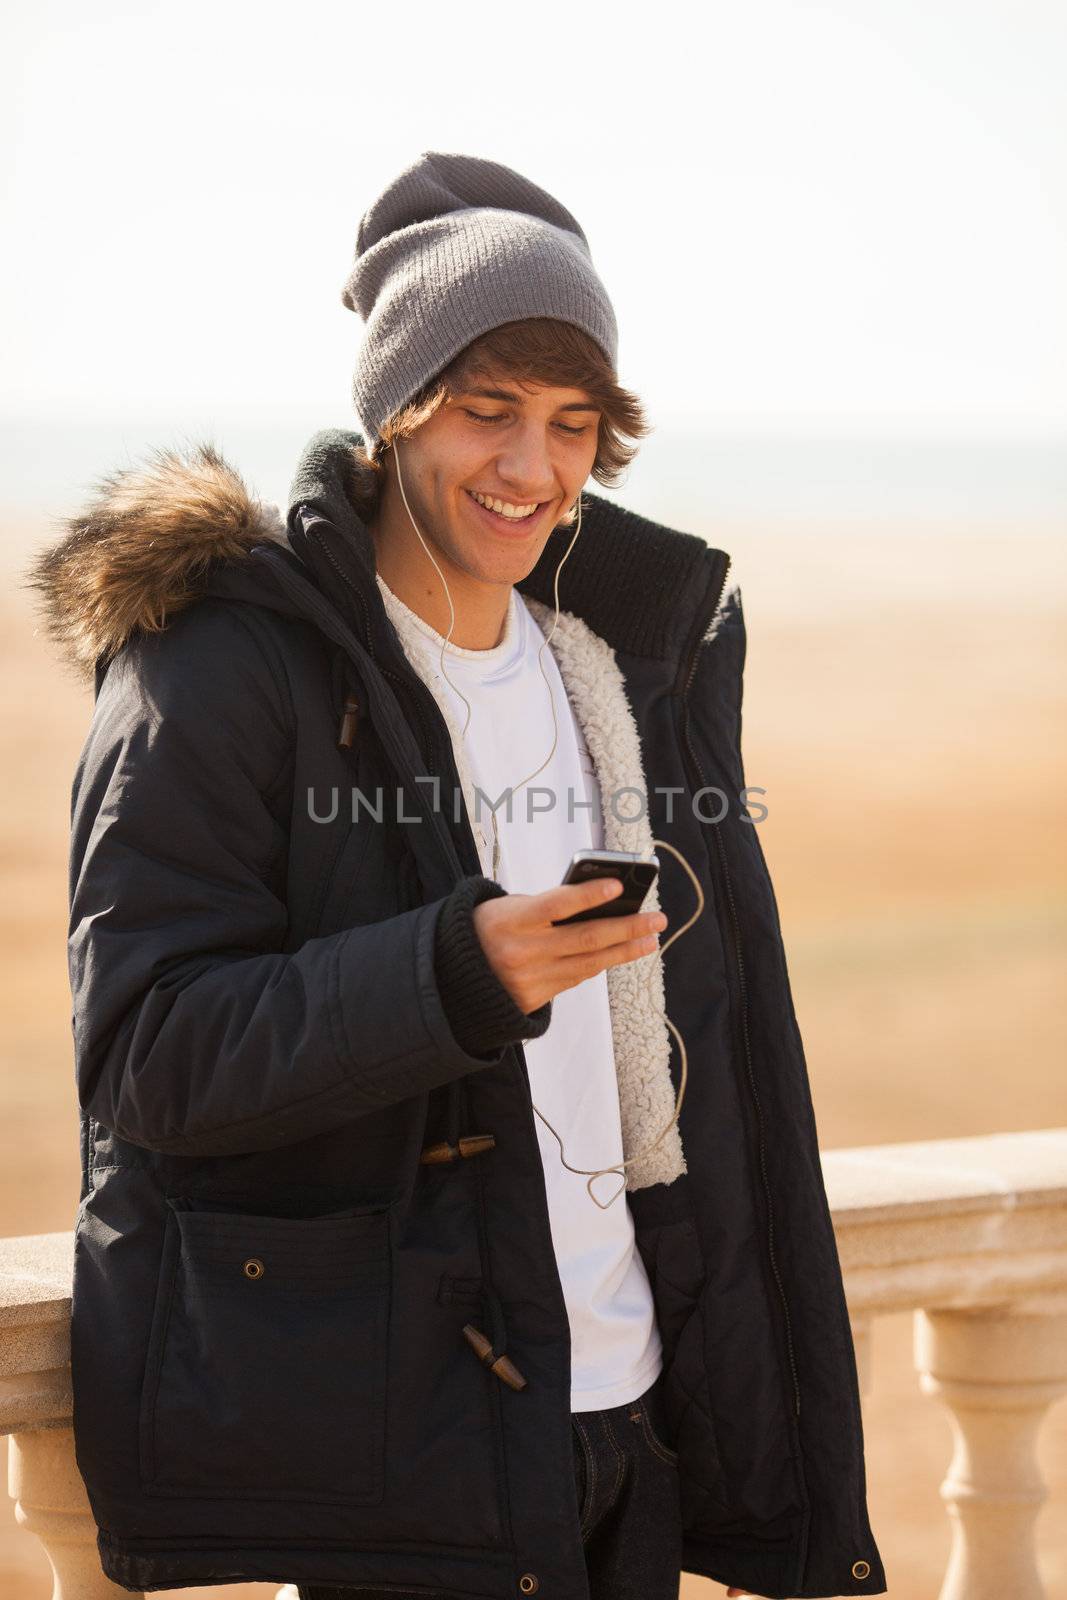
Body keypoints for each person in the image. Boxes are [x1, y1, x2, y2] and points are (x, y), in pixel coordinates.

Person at [26, 151, 886, 1599]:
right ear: (393, 415)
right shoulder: (223, 666)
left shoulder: (614, 666)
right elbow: (148, 1052)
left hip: (631, 1409)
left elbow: (712, 1061)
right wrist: (452, 976)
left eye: (570, 425)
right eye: (485, 413)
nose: (530, 467)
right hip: (412, 1446)